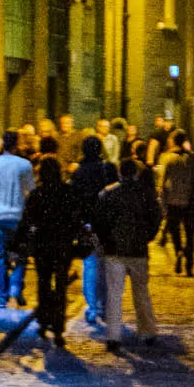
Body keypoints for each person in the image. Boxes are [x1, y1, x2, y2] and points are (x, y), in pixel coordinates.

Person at [94, 153, 163, 352]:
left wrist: (105, 241)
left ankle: (113, 336)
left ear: (119, 173)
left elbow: (99, 222)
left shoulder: (107, 193)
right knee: (141, 292)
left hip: (114, 250)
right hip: (138, 250)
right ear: (136, 173)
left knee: (114, 293)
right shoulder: (146, 193)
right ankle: (148, 330)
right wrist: (147, 236)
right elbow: (156, 218)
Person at [19, 154, 80, 345]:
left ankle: (44, 320)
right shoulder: (68, 193)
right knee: (61, 285)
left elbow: (27, 221)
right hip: (63, 245)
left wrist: (23, 243)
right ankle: (58, 326)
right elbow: (76, 218)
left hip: (42, 246)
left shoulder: (37, 194)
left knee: (44, 283)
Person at [68, 133, 117, 328]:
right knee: (106, 266)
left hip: (87, 225)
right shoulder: (109, 169)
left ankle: (91, 308)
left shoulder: (79, 172)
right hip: (107, 224)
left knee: (90, 266)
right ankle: (104, 306)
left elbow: (73, 200)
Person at [0, 127, 35, 309]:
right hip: (18, 216)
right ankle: (16, 286)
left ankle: (2, 296)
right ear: (17, 144)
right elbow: (31, 191)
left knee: (0, 257)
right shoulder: (24, 165)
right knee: (21, 255)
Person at [156, 129, 194, 276]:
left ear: (173, 141)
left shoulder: (169, 159)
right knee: (190, 234)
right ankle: (189, 265)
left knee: (175, 231)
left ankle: (178, 250)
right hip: (190, 201)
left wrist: (163, 205)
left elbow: (163, 184)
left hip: (173, 201)